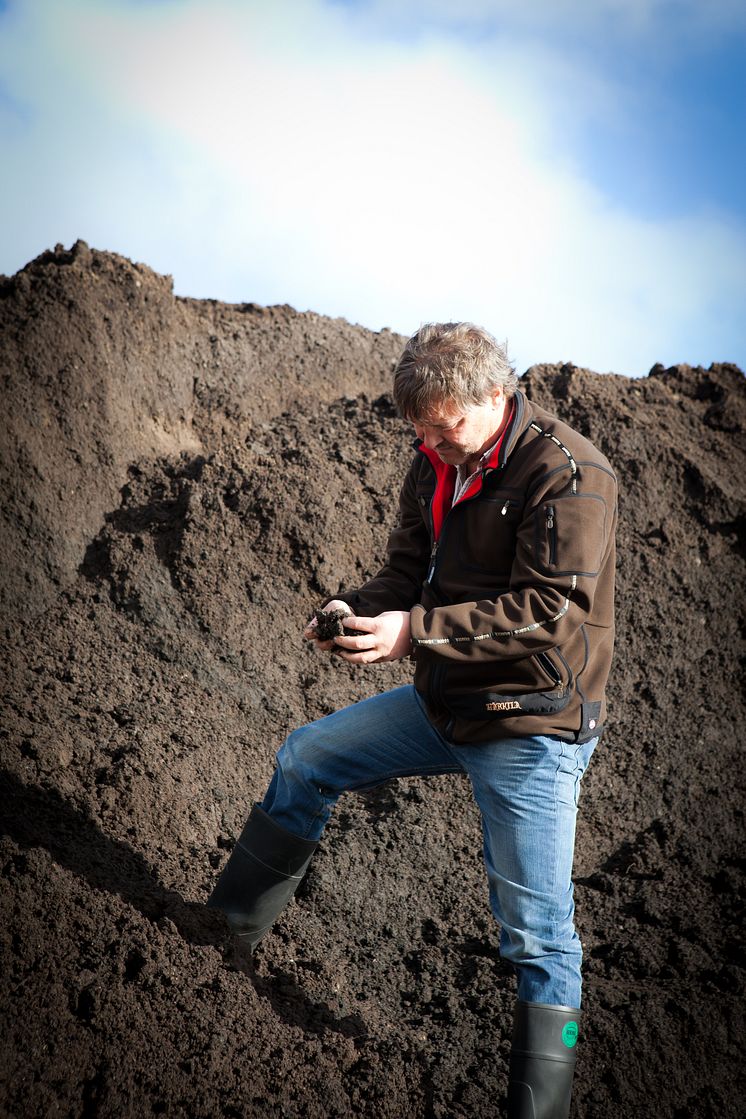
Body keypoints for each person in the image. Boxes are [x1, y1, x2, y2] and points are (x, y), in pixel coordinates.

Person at [208, 323, 617, 1118]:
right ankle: (215, 948)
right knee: (305, 759)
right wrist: (355, 608)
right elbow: (406, 570)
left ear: (494, 395)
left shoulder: (571, 474)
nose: (433, 443)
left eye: (446, 426)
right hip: (444, 702)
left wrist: (414, 631)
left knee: (537, 934)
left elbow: (547, 613)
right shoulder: (439, 459)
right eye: (421, 430)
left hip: (530, 722)